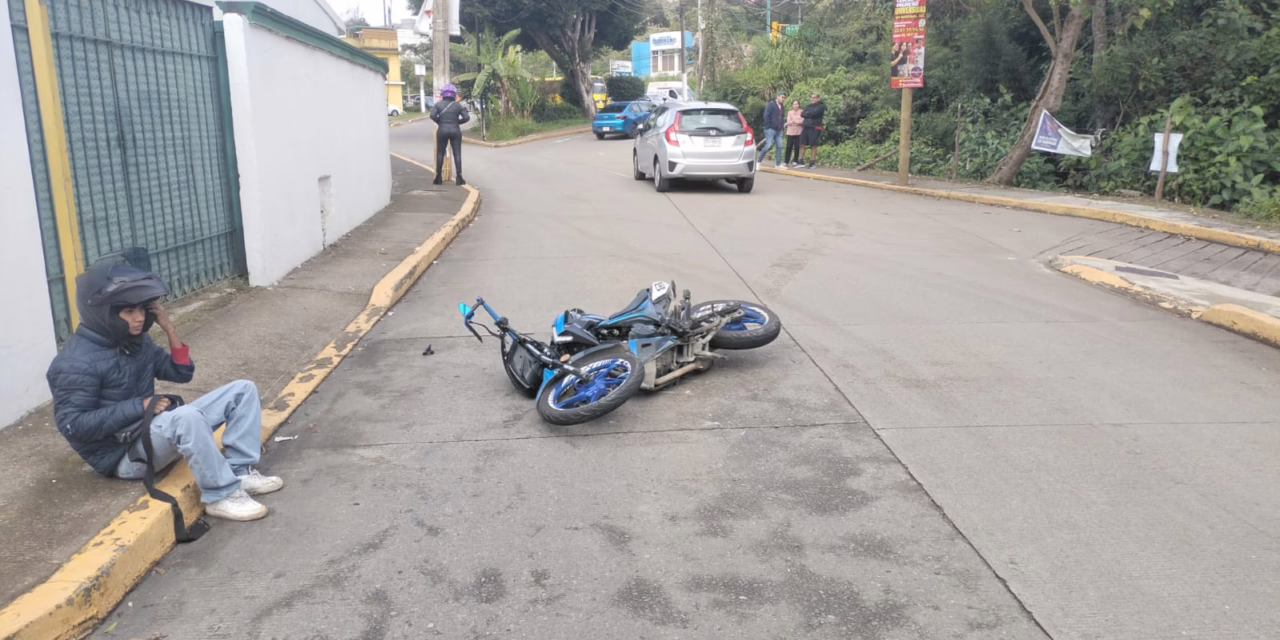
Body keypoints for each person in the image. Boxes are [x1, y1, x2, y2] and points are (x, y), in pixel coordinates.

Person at [46, 261, 283, 522]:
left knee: (242, 390)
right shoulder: (74, 364)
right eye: (128, 311)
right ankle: (220, 496)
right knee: (185, 417)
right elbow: (74, 425)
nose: (139, 318)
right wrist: (140, 406)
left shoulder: (136, 342)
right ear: (103, 313)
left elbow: (181, 373)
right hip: (123, 457)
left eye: (142, 310)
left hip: (149, 432)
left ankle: (239, 472)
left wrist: (168, 327)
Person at [429, 84, 470, 186]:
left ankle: (438, 178)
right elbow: (466, 118)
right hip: (455, 131)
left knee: (440, 153)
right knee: (457, 154)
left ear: (443, 94)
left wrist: (439, 122)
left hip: (442, 130)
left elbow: (432, 115)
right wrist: (457, 122)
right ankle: (459, 178)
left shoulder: (438, 105)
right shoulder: (458, 106)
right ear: (454, 95)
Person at [757, 92, 786, 167]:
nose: (783, 99)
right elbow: (766, 115)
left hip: (779, 129)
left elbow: (782, 117)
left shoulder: (782, 106)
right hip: (771, 129)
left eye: (784, 98)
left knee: (780, 146)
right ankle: (759, 161)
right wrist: (768, 126)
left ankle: (778, 164)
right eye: (782, 97)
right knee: (768, 145)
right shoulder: (771, 104)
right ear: (778, 97)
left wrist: (782, 126)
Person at [800, 94, 827, 169]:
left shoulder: (821, 106)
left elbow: (815, 113)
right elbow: (802, 114)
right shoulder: (808, 106)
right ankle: (801, 161)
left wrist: (807, 113)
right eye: (811, 98)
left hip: (815, 127)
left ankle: (812, 162)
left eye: (814, 98)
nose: (812, 99)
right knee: (802, 144)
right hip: (806, 126)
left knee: (813, 145)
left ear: (818, 99)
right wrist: (808, 113)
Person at [784, 100, 805, 168]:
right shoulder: (789, 112)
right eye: (794, 104)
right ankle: (786, 161)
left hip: (799, 132)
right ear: (792, 105)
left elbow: (802, 121)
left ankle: (795, 161)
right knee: (789, 146)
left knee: (797, 146)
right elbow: (788, 122)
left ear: (799, 105)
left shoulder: (802, 112)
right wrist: (796, 121)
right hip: (790, 132)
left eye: (796, 104)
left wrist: (794, 121)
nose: (795, 105)